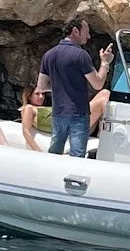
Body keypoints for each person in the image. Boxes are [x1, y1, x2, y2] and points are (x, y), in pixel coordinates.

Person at [36, 16, 114, 157]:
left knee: (54, 153)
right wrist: (105, 63)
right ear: (75, 31)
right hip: (78, 113)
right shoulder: (80, 55)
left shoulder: (49, 55)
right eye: (86, 31)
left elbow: (41, 87)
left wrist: (61, 87)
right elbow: (98, 84)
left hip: (58, 113)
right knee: (77, 156)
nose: (89, 36)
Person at [20, 85, 111, 153]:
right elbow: (26, 131)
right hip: (74, 124)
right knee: (103, 100)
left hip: (74, 119)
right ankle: (105, 134)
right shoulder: (29, 108)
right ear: (29, 96)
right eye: (37, 94)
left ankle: (103, 130)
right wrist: (37, 151)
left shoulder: (43, 107)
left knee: (105, 92)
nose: (41, 97)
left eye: (43, 94)